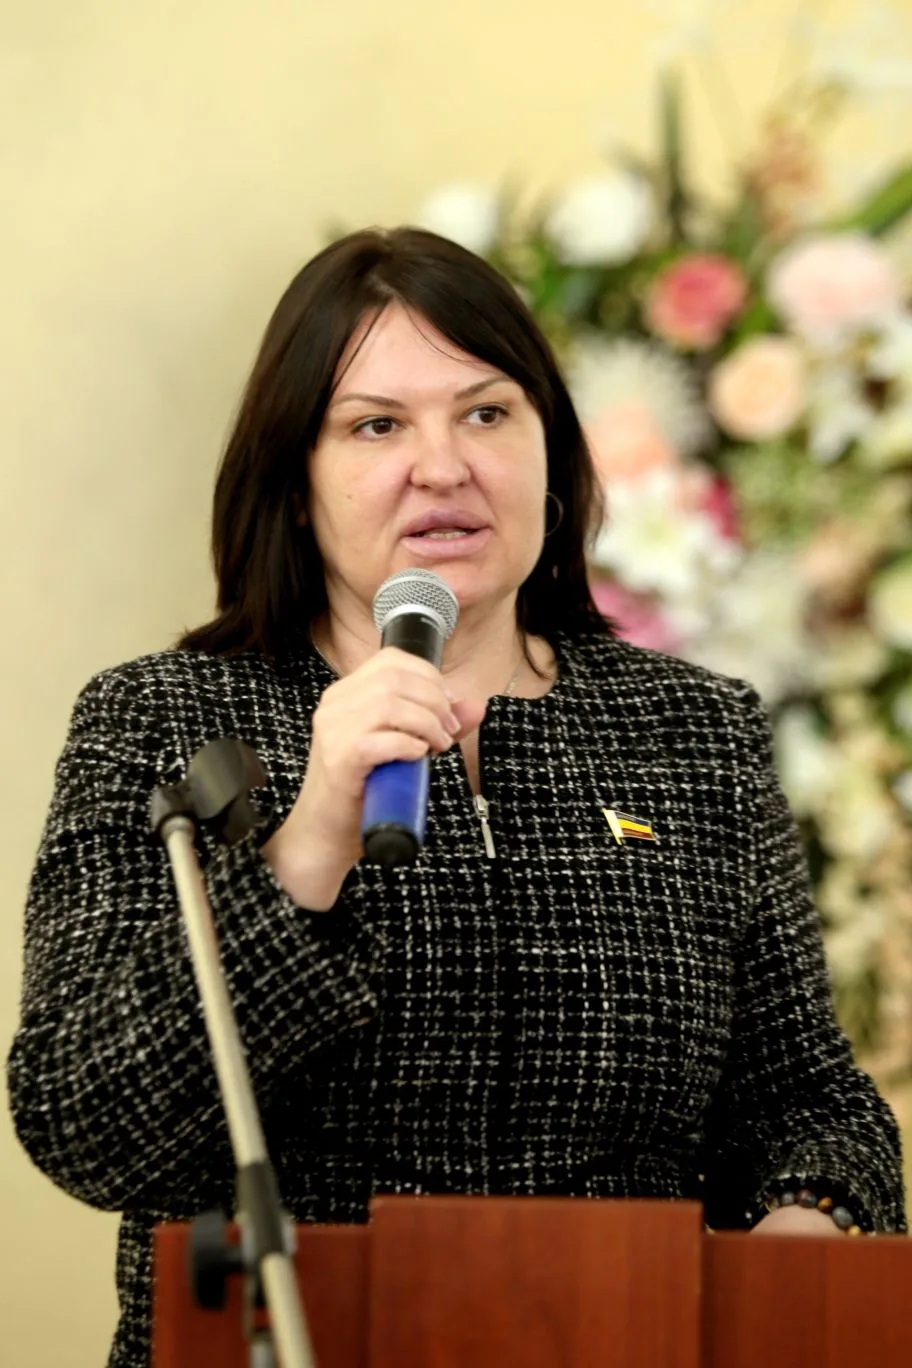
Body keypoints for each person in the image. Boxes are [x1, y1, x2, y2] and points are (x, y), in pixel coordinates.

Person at [7, 227, 905, 1368]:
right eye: (376, 425)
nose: (443, 467)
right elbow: (84, 1123)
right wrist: (307, 843)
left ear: (551, 456)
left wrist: (802, 1229)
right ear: (295, 483)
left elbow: (809, 1102)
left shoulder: (696, 732)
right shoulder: (166, 722)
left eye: (486, 413)